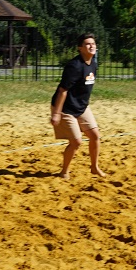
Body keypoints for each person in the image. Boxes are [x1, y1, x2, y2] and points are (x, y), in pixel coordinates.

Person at [50, 33, 106, 179]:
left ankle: (94, 167)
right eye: (87, 44)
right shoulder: (74, 66)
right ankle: (64, 171)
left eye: (93, 43)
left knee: (95, 136)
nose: (91, 46)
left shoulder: (93, 63)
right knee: (76, 141)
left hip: (81, 107)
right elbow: (63, 90)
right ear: (80, 48)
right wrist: (56, 113)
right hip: (65, 108)